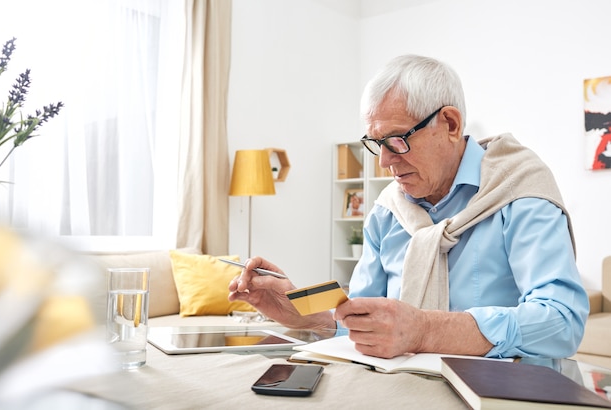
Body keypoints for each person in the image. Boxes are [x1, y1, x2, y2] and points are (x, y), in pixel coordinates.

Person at [228, 54, 589, 360]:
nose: (384, 162)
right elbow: (363, 314)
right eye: (376, 143)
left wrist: (426, 330)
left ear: (450, 123)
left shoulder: (520, 190)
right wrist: (303, 311)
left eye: (397, 140)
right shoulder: (388, 212)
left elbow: (561, 322)